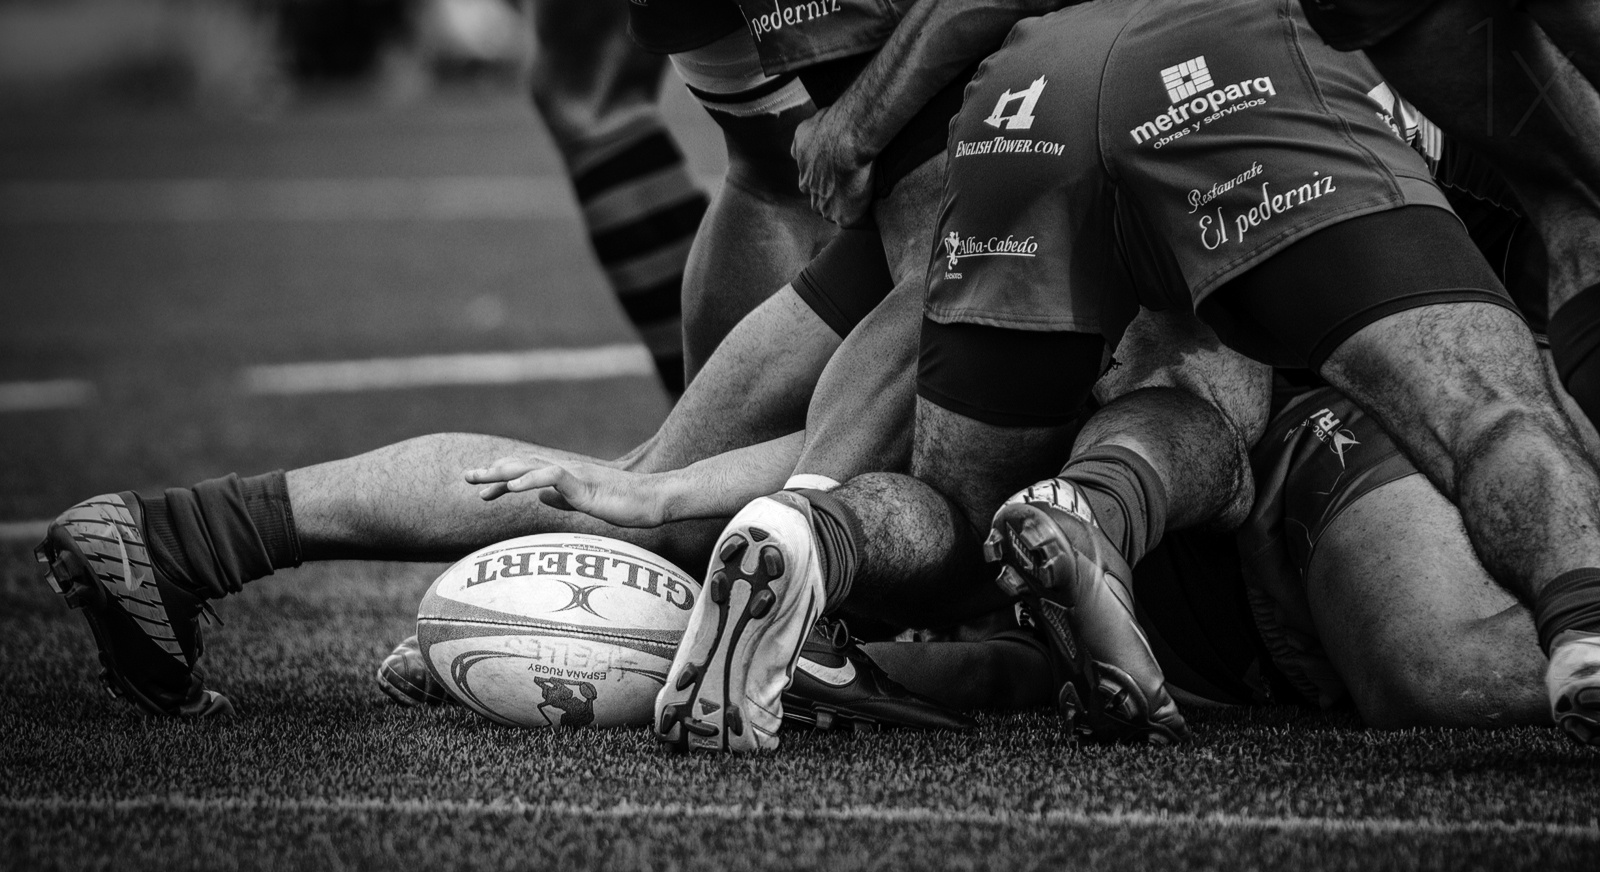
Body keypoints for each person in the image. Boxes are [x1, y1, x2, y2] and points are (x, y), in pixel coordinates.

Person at [655, 0, 1600, 753]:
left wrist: (699, 487)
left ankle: (821, 543)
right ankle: (1088, 510)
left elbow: (853, 281)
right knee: (1470, 428)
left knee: (970, 533)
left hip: (1028, 93)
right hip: (1251, 82)